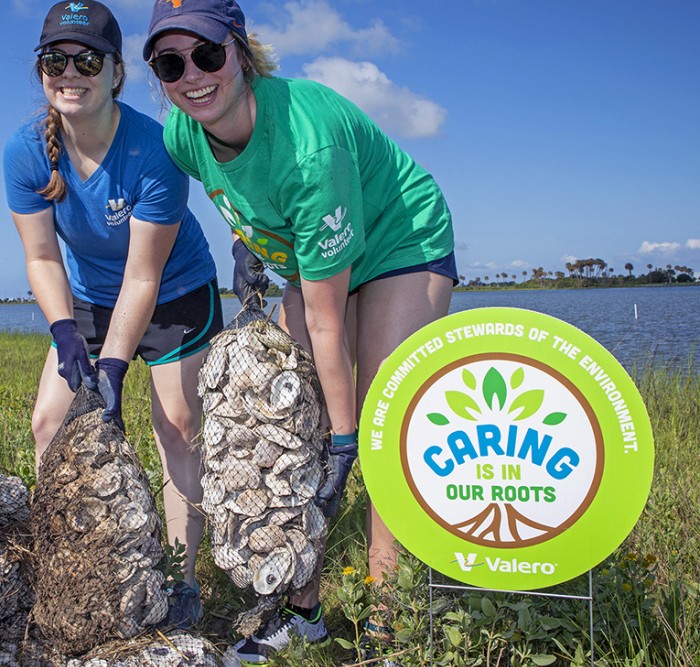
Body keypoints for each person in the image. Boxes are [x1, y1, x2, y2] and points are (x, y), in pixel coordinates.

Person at [142, 0, 456, 661]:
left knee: (380, 422)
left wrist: (344, 440)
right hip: (314, 258)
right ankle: (301, 609)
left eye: (206, 54)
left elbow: (322, 316)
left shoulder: (310, 146)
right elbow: (240, 193)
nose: (192, 75)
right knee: (289, 422)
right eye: (170, 63)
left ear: (241, 50)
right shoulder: (182, 133)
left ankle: (384, 625)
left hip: (400, 243)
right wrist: (248, 245)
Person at [3, 0, 224, 630]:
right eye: (56, 59)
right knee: (50, 422)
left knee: (177, 426)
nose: (71, 71)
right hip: (89, 296)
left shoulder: (155, 150)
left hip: (176, 288)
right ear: (41, 68)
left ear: (116, 72)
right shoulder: (26, 151)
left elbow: (143, 275)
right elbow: (42, 257)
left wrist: (115, 366)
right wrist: (64, 329)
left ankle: (184, 581)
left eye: (87, 59)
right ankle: (68, 566)